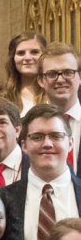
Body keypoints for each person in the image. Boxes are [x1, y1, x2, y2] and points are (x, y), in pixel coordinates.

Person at [5, 104, 81, 240]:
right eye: (37, 137)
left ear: (70, 143)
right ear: (24, 145)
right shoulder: (4, 199)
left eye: (56, 136)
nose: (47, 144)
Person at [37, 41, 81, 175]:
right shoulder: (28, 126)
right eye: (52, 74)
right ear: (41, 81)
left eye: (68, 72)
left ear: (79, 77)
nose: (60, 80)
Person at [0, 30, 47, 116]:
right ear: (13, 59)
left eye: (34, 52)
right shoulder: (2, 101)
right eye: (21, 53)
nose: (27, 57)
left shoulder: (55, 95)